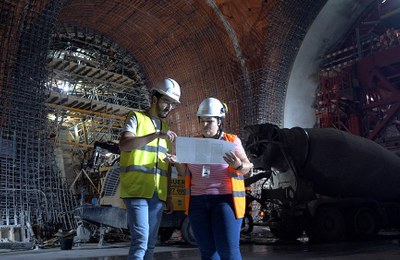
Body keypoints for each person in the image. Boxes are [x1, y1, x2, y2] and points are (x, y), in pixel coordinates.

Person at [168, 97, 253, 260]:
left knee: (228, 251)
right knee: (208, 253)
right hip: (197, 203)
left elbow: (248, 167)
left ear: (220, 121)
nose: (205, 125)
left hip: (225, 201)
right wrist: (176, 162)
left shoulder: (232, 141)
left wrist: (238, 165)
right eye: (202, 121)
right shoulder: (193, 143)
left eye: (209, 121)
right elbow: (184, 172)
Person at [119, 78, 181, 260]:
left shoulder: (167, 129)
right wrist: (155, 135)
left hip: (158, 194)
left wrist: (169, 195)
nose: (169, 108)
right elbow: (124, 144)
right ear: (154, 99)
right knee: (141, 241)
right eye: (166, 102)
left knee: (151, 242)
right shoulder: (136, 118)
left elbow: (166, 166)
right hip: (137, 190)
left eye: (173, 104)